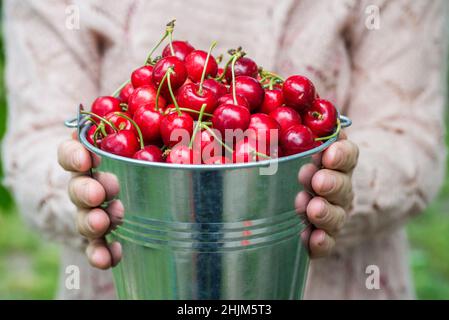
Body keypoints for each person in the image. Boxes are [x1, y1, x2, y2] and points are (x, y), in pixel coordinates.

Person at [2, 0, 447, 299]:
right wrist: (80, 190)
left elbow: (411, 141)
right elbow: (35, 141)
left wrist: (343, 183)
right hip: (130, 280)